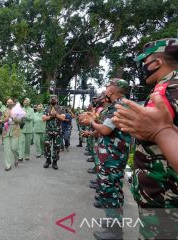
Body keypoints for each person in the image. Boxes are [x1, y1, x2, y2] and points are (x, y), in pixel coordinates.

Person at [113, 38, 178, 239]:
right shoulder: (164, 88)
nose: (143, 67)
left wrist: (160, 131)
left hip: (167, 197)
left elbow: (161, 130)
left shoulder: (171, 89)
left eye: (145, 61)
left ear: (157, 62)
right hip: (159, 193)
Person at [81, 78, 131, 240]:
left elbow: (105, 130)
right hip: (109, 156)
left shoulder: (121, 105)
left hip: (114, 157)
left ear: (112, 90)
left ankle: (115, 232)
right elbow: (102, 128)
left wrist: (92, 122)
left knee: (112, 191)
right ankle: (112, 220)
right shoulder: (114, 106)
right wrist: (93, 124)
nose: (105, 91)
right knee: (109, 189)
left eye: (107, 87)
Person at [42, 95, 65, 170]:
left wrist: (56, 114)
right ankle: (48, 160)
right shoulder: (46, 108)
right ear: (50, 100)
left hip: (57, 131)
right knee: (46, 146)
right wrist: (51, 116)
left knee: (57, 147)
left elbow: (63, 118)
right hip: (48, 131)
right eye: (52, 99)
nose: (53, 100)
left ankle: (55, 162)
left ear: (57, 100)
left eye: (54, 99)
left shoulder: (61, 108)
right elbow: (43, 119)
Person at [2, 98, 21, 171]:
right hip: (6, 130)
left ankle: (16, 157)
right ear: (6, 103)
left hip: (15, 130)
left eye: (11, 102)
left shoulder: (17, 111)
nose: (9, 103)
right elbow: (2, 120)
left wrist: (12, 116)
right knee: (7, 149)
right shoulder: (4, 111)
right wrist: (6, 118)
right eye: (8, 102)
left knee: (14, 148)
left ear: (13, 103)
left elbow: (19, 120)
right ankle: (8, 165)